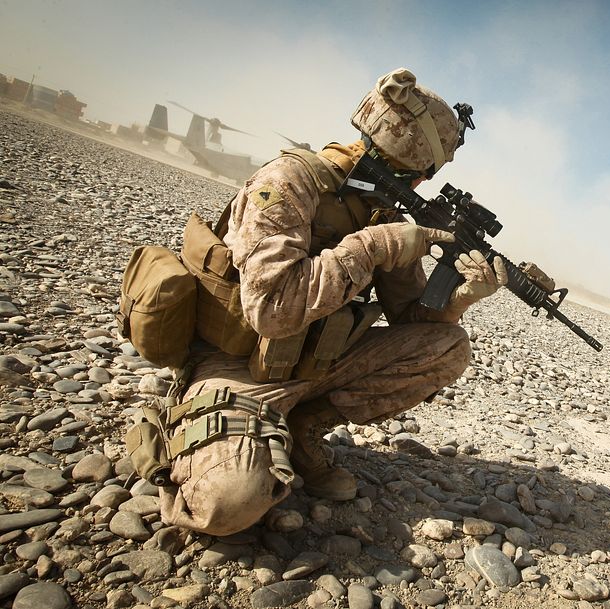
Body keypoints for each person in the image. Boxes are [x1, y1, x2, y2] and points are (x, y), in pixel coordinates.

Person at [156, 68, 507, 535]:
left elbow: (410, 319)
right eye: (423, 174)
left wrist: (461, 298)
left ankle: (301, 428)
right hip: (234, 365)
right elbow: (270, 309)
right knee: (228, 505)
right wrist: (374, 246)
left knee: (448, 344)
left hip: (313, 365)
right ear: (418, 168)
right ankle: (186, 426)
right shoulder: (290, 181)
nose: (422, 184)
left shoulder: (381, 209)